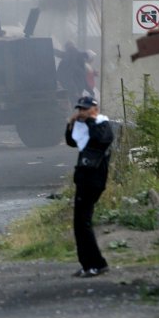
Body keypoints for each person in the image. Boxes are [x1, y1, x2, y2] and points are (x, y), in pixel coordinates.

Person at [65, 95, 114, 278]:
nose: (82, 112)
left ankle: (97, 264)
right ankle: (87, 264)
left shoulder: (102, 124)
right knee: (79, 224)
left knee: (83, 223)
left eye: (85, 109)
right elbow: (71, 141)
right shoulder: (82, 125)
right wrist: (71, 123)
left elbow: (101, 140)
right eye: (80, 109)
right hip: (84, 177)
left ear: (95, 109)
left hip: (94, 178)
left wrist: (91, 120)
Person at [55, 41, 89, 106]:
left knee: (72, 99)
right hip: (78, 82)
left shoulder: (70, 53)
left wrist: (52, 50)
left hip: (71, 83)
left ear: (67, 47)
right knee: (75, 101)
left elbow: (61, 54)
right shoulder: (78, 54)